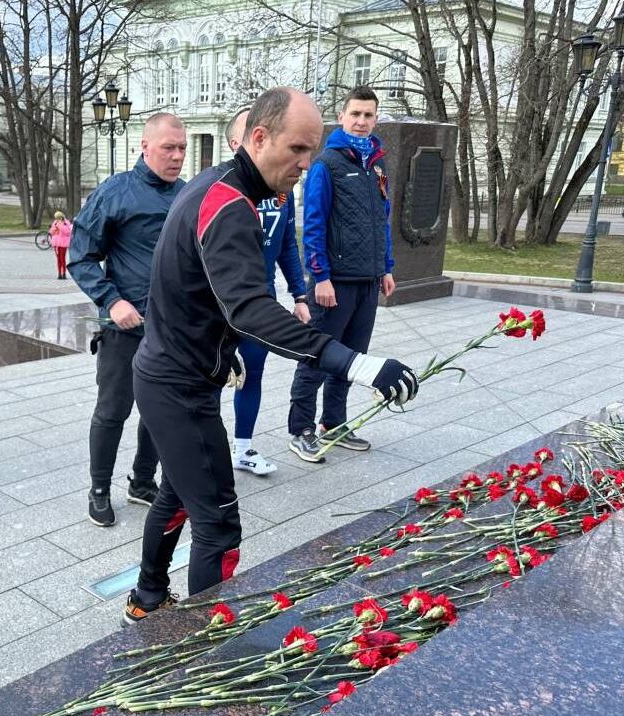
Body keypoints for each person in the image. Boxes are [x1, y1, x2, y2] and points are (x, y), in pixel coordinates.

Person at [124, 88, 417, 623]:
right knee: (220, 525)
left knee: (177, 494)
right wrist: (357, 363)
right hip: (179, 387)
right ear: (259, 138)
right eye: (298, 149)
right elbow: (251, 310)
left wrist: (220, 350)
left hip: (171, 372)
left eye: (312, 151)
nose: (306, 165)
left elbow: (196, 290)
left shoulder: (215, 185)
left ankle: (146, 600)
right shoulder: (229, 203)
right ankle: (206, 653)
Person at [68, 113, 187, 527]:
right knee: (113, 410)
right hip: (125, 328)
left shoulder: (188, 195)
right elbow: (79, 256)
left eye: (182, 148)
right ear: (144, 146)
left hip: (172, 330)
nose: (176, 156)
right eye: (168, 147)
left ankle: (142, 481)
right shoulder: (116, 192)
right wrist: (111, 300)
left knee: (160, 410)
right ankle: (99, 489)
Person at [287, 86, 396, 463]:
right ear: (343, 116)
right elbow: (312, 224)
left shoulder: (378, 164)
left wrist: (386, 267)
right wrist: (321, 277)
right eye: (356, 115)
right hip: (334, 283)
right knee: (318, 355)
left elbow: (383, 219)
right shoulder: (326, 164)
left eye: (369, 115)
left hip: (367, 279)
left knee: (353, 358)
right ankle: (300, 428)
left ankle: (333, 423)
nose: (362, 122)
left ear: (375, 118)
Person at [223, 107, 311, 476]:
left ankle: (243, 448)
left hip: (261, 302)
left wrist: (300, 295)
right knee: (211, 378)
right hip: (220, 305)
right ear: (238, 143)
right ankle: (202, 451)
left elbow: (287, 245)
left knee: (252, 374)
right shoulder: (220, 189)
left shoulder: (281, 191)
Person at [48, 210, 72, 280]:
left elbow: (67, 232)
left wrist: (60, 226)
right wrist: (54, 228)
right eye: (56, 218)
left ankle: (64, 273)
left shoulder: (66, 223)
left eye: (58, 218)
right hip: (56, 243)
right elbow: (51, 232)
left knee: (62, 259)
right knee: (58, 259)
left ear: (61, 217)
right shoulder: (55, 222)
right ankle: (59, 274)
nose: (57, 219)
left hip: (63, 243)